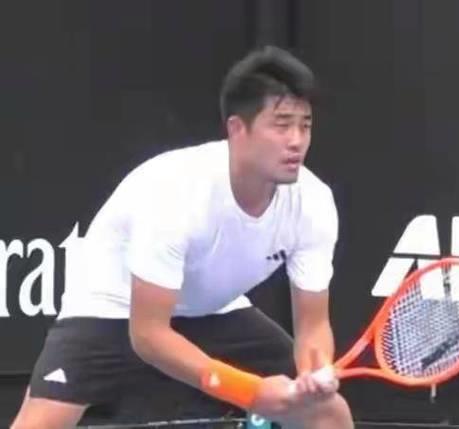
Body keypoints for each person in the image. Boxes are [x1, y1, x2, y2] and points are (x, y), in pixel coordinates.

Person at [11, 45, 354, 429]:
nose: (296, 140)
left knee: (328, 412)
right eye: (282, 124)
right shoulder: (175, 193)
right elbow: (148, 335)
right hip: (115, 307)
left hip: (212, 311)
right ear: (237, 129)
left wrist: (315, 372)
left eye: (305, 125)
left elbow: (312, 328)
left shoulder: (313, 202)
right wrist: (250, 392)